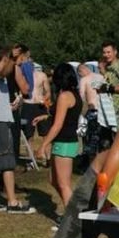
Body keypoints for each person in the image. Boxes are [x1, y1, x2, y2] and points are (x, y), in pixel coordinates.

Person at [0, 44, 35, 214]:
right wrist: (13, 58)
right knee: (7, 164)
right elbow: (3, 71)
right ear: (3, 59)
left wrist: (12, 105)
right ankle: (12, 202)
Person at [33, 63, 82, 210]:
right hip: (66, 142)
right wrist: (44, 117)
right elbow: (64, 117)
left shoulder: (64, 96)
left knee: (63, 184)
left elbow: (58, 125)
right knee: (53, 180)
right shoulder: (74, 95)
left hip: (64, 142)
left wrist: (43, 145)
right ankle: (71, 210)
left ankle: (72, 219)